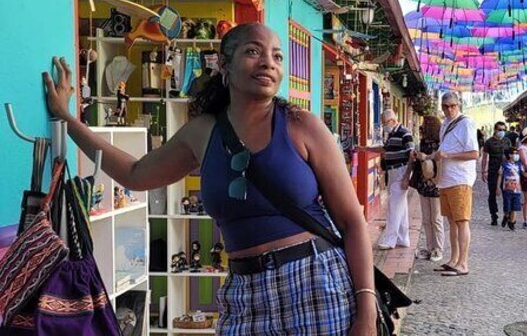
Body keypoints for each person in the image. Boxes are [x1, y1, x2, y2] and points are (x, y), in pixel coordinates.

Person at [42, 24, 378, 335]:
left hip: (315, 281)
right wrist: (67, 119)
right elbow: (136, 174)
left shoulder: (301, 124)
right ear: (225, 65)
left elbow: (351, 222)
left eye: (276, 56)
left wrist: (366, 311)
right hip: (244, 293)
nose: (268, 63)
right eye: (253, 51)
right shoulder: (202, 133)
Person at [426, 91, 477, 277]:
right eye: (446, 106)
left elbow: (474, 153)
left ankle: (463, 263)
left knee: (462, 221)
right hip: (446, 180)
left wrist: (448, 155)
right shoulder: (445, 125)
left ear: (458, 105)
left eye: (452, 105)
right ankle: (454, 259)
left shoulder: (466, 123)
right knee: (451, 221)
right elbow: (443, 151)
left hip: (460, 179)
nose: (449, 109)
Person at [407, 115, 444, 262]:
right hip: (423, 183)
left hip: (435, 184)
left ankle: (438, 249)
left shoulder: (440, 143)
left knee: (436, 219)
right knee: (427, 219)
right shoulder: (423, 142)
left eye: (425, 124)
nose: (422, 126)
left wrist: (426, 157)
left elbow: (440, 160)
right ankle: (429, 248)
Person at [376, 109, 414, 250]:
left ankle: (389, 240)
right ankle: (403, 238)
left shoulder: (405, 133)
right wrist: (365, 148)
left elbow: (412, 155)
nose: (383, 126)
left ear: (391, 120)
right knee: (400, 207)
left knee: (394, 206)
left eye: (384, 123)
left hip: (401, 171)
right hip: (393, 172)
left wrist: (406, 177)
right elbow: (385, 150)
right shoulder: (392, 134)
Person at [481, 121, 511, 226]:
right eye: (500, 130)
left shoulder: (507, 141)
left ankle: (507, 214)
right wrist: (483, 171)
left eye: (503, 130)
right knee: (492, 193)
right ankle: (494, 215)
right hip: (493, 170)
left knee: (507, 193)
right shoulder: (489, 142)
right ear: (495, 130)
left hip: (506, 171)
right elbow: (484, 157)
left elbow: (511, 156)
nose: (502, 131)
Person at [497, 146, 523, 231]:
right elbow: (500, 176)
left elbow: (522, 174)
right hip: (507, 188)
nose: (516, 155)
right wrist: (498, 187)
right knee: (507, 206)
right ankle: (506, 216)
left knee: (514, 207)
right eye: (514, 153)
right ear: (509, 155)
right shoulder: (504, 165)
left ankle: (512, 223)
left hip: (517, 189)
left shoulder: (519, 164)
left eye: (516, 153)